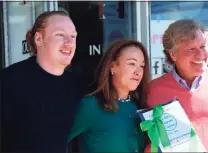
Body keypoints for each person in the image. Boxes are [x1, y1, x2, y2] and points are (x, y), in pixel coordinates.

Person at [1, 11, 84, 152]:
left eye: (73, 36)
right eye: (60, 35)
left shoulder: (76, 84)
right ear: (39, 39)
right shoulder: (9, 81)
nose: (69, 42)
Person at [145, 19, 208, 152]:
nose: (200, 54)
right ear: (173, 54)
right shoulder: (152, 91)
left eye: (203, 46)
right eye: (191, 49)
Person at [68, 40, 151, 152]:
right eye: (132, 63)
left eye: (142, 66)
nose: (138, 71)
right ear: (112, 66)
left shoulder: (141, 108)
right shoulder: (90, 106)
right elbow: (53, 140)